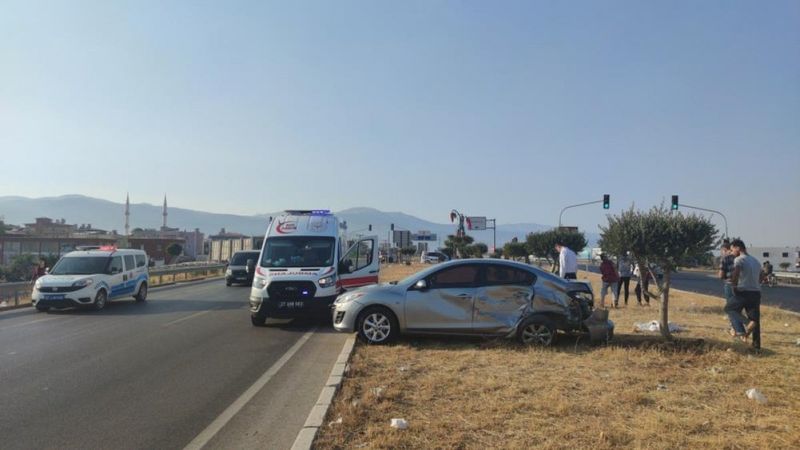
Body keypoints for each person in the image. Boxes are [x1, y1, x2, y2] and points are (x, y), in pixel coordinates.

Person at [727, 239, 762, 349]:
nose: (732, 252)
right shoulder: (756, 261)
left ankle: (746, 324)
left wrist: (734, 286)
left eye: (732, 250)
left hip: (744, 292)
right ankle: (756, 347)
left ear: (738, 248)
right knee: (755, 320)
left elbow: (736, 274)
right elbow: (761, 277)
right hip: (756, 293)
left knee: (730, 309)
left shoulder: (739, 259)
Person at [718, 240, 739, 336]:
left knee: (731, 308)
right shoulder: (741, 257)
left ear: (725, 250)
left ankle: (735, 329)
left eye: (721, 251)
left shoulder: (726, 258)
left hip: (730, 284)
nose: (721, 253)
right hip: (742, 285)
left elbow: (721, 275)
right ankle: (737, 328)